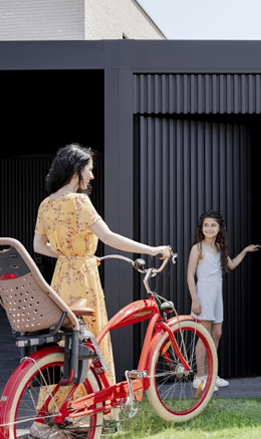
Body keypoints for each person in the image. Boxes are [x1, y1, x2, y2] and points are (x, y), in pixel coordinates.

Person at [32, 143, 171, 438]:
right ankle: (93, 413)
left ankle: (53, 414)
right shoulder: (79, 202)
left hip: (60, 280)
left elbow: (38, 246)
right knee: (92, 341)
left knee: (64, 347)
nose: (92, 175)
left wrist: (70, 255)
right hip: (83, 280)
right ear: (75, 170)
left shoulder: (47, 204)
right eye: (89, 169)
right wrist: (152, 249)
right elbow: (109, 237)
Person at [187, 210, 260, 391]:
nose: (209, 228)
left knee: (217, 333)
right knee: (204, 336)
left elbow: (231, 265)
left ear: (219, 228)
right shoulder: (197, 248)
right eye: (206, 225)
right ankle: (199, 377)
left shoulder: (219, 248)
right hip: (203, 294)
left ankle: (211, 375)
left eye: (213, 225)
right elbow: (189, 275)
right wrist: (194, 300)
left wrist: (244, 251)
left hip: (217, 295)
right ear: (201, 228)